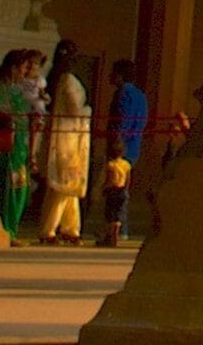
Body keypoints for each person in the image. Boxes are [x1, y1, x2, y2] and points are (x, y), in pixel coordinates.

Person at [0, 49, 41, 239]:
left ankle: (12, 229)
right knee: (9, 189)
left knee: (21, 188)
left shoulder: (19, 89)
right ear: (13, 68)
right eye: (23, 67)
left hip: (20, 145)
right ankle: (6, 232)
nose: (25, 71)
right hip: (6, 147)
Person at [35, 41, 93, 244]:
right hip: (68, 138)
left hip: (69, 136)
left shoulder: (59, 78)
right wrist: (89, 111)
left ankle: (71, 227)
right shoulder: (67, 80)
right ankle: (48, 229)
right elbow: (75, 109)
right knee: (62, 185)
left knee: (70, 185)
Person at [97, 58, 149, 246]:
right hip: (134, 147)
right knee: (122, 189)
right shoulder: (141, 96)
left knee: (114, 192)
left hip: (121, 147)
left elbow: (122, 121)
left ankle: (113, 229)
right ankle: (120, 229)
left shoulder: (123, 94)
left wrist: (116, 142)